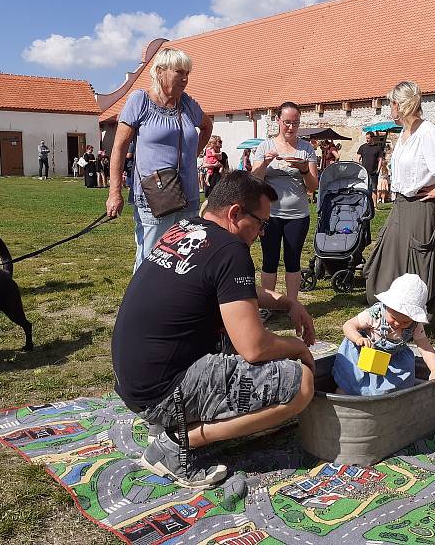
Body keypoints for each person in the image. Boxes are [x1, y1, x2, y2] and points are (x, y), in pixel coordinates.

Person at [111, 170, 315, 488]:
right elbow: (254, 346)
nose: (262, 233)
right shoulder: (232, 250)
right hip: (163, 390)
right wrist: (298, 347)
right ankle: (178, 441)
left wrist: (286, 303)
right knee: (300, 382)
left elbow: (234, 291)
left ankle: (169, 422)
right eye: (262, 223)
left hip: (136, 381)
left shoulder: (186, 229)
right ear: (235, 213)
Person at [106, 48, 214, 272]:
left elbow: (206, 126)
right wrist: (114, 193)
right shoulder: (140, 101)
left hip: (188, 194)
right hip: (155, 196)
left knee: (184, 256)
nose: (185, 78)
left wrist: (193, 153)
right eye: (179, 72)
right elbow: (118, 148)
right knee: (151, 258)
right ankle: (142, 305)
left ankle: (175, 306)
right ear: (160, 71)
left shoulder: (187, 104)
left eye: (188, 73)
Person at [364, 81, 435, 316]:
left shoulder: (427, 131)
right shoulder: (404, 134)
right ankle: (392, 312)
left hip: (422, 207)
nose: (390, 107)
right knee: (388, 259)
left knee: (417, 262)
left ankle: (415, 317)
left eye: (391, 103)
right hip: (401, 205)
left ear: (398, 104)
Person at [333, 274, 435, 396]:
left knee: (392, 387)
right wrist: (357, 338)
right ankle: (343, 395)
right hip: (364, 354)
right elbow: (348, 325)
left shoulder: (415, 325)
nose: (397, 323)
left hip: (391, 360)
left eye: (405, 322)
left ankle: (386, 402)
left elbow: (426, 348)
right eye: (393, 318)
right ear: (387, 305)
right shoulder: (375, 314)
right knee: (351, 381)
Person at [252, 102, 319, 303]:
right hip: (269, 215)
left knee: (293, 261)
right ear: (278, 121)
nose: (291, 127)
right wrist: (264, 162)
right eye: (287, 122)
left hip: (297, 215)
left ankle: (291, 305)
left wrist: (304, 169)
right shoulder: (265, 147)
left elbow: (313, 186)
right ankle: (268, 305)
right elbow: (254, 180)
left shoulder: (306, 149)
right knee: (269, 260)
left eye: (295, 123)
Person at [358, 131, 384, 206]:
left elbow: (380, 159)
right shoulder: (363, 147)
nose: (367, 140)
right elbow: (358, 158)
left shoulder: (378, 148)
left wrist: (378, 170)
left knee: (374, 189)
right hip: (364, 171)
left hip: (373, 171)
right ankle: (364, 204)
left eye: (368, 138)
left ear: (372, 138)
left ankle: (374, 205)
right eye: (366, 138)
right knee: (364, 188)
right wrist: (359, 167)